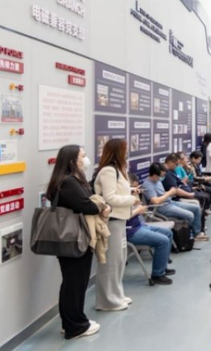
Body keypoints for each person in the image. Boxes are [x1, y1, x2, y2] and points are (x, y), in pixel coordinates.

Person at [47, 145, 106, 339]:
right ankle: (75, 327)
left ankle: (71, 323)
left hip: (70, 239)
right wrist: (101, 205)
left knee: (72, 283)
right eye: (83, 156)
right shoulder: (69, 182)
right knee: (75, 284)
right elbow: (88, 206)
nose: (86, 159)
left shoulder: (63, 180)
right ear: (72, 160)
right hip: (74, 240)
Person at [93, 139, 138, 312]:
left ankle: (117, 294)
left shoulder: (119, 170)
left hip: (120, 220)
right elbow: (109, 198)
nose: (127, 153)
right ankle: (108, 301)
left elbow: (117, 191)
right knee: (110, 262)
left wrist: (131, 192)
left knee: (119, 259)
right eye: (125, 150)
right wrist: (131, 199)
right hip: (111, 221)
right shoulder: (108, 171)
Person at [126, 174, 175, 285]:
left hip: (140, 225)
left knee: (168, 233)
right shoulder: (122, 199)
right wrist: (138, 210)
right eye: (133, 187)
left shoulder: (132, 195)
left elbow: (138, 208)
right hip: (131, 231)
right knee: (163, 240)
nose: (136, 189)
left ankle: (163, 267)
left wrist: (138, 205)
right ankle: (157, 274)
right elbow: (124, 216)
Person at [142, 163, 207, 241]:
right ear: (155, 175)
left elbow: (162, 194)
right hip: (161, 207)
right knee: (190, 215)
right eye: (161, 175)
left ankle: (197, 234)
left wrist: (172, 192)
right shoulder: (147, 185)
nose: (163, 177)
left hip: (170, 202)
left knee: (196, 208)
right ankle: (188, 235)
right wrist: (169, 193)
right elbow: (156, 201)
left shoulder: (157, 181)